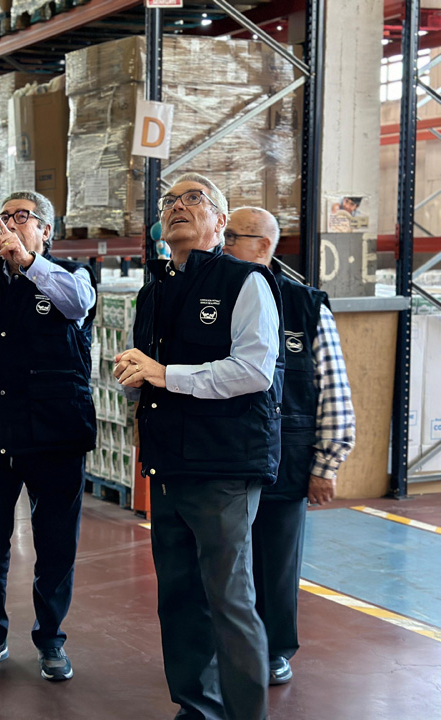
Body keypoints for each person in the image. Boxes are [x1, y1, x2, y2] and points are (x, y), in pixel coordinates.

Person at [113, 173, 283, 720]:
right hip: (169, 464)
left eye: (195, 199)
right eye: (170, 201)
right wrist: (140, 375)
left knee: (229, 598)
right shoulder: (155, 290)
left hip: (224, 463)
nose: (179, 206)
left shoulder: (245, 282)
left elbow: (254, 370)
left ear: (220, 220)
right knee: (180, 598)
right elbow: (155, 371)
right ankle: (196, 705)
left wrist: (165, 375)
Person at [0, 190, 97, 682]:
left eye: (24, 217)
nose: (12, 225)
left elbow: (75, 305)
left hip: (57, 431)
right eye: (5, 217)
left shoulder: (73, 278)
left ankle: (51, 640)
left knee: (56, 542)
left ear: (46, 231)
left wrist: (29, 262)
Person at [223, 206, 355, 686]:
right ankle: (227, 647)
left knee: (275, 562)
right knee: (222, 560)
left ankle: (275, 649)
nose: (222, 244)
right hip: (224, 455)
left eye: (231, 236)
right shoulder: (212, 293)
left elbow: (333, 387)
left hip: (287, 455)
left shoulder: (305, 305)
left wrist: (326, 463)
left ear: (262, 246)